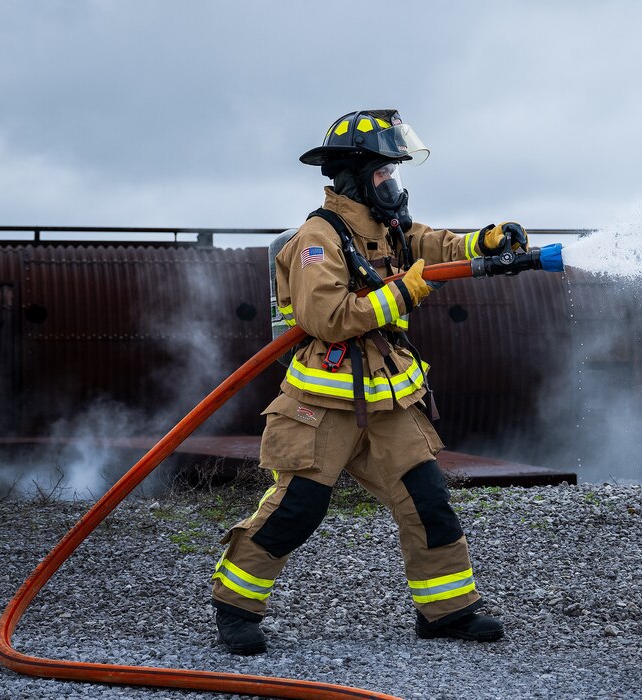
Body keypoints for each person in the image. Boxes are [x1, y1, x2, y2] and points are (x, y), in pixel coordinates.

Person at [211, 109, 529, 655]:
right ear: (356, 177)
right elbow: (327, 317)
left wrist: (488, 240)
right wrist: (407, 292)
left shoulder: (391, 231)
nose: (393, 186)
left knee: (427, 500)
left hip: (388, 400)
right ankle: (235, 606)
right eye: (385, 175)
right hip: (323, 404)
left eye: (395, 175)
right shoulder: (318, 239)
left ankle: (447, 612)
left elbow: (439, 246)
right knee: (298, 507)